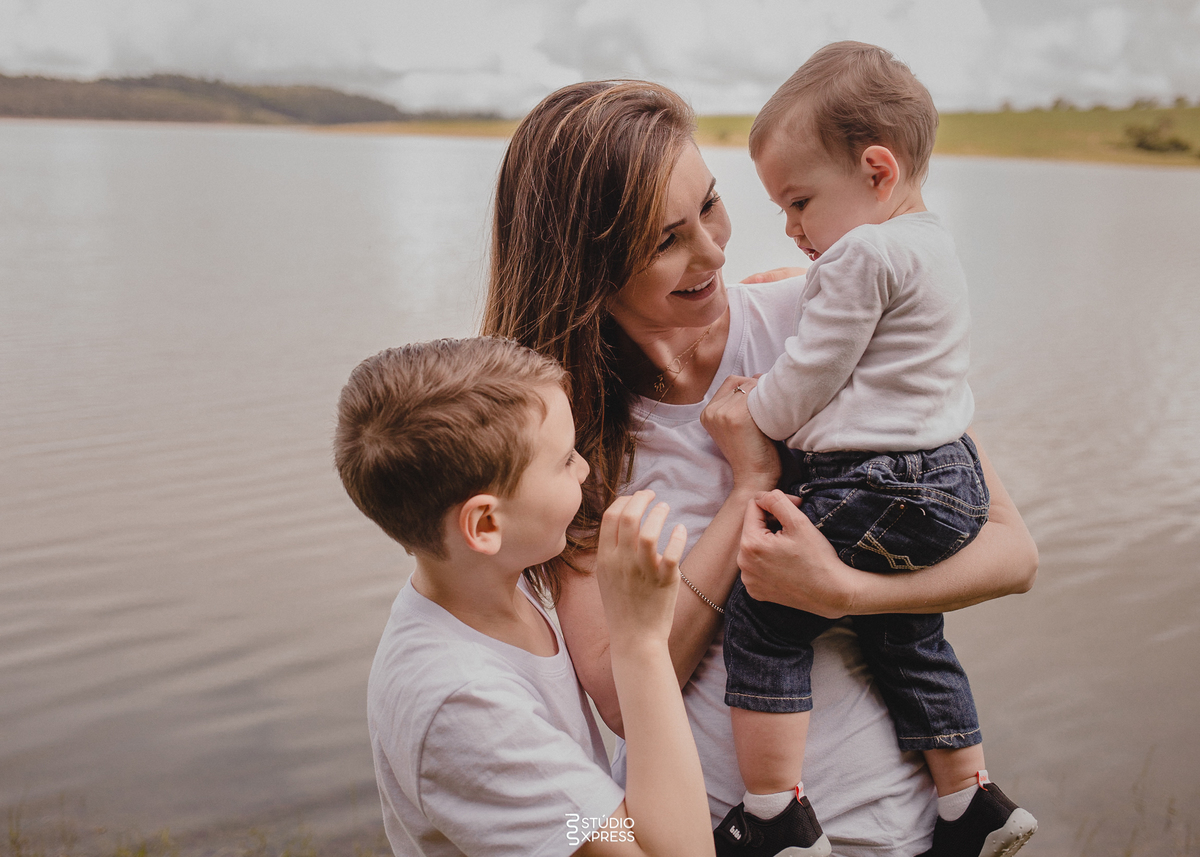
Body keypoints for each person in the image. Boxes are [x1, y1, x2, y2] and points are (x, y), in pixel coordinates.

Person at [482, 80, 1038, 857]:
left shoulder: (826, 316)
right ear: (586, 267)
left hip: (898, 828)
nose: (713, 251)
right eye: (663, 240)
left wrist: (846, 590)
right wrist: (749, 489)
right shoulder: (569, 438)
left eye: (709, 206)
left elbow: (1013, 553)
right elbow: (618, 692)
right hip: (710, 836)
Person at [714, 42, 1037, 857]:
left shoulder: (860, 253)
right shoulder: (929, 244)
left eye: (799, 201)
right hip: (946, 474)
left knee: (764, 609)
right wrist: (796, 281)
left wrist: (760, 405)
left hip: (882, 476)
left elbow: (810, 374)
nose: (790, 227)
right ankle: (970, 799)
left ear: (877, 171)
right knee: (908, 629)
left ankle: (774, 813)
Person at [333, 336, 716, 857]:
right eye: (563, 461)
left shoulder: (497, 578)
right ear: (486, 523)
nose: (585, 469)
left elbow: (579, 827)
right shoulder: (462, 706)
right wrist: (639, 639)